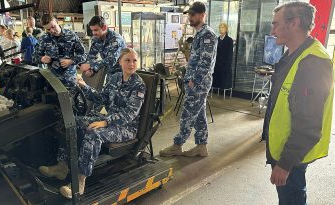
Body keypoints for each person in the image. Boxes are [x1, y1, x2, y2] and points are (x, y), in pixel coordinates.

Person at [38, 48, 146, 198]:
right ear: (120, 61)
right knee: (71, 122)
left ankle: (80, 181)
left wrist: (104, 122)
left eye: (134, 60)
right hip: (109, 120)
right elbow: (102, 98)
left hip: (126, 127)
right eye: (127, 60)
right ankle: (62, 166)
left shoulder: (138, 85)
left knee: (94, 134)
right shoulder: (114, 78)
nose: (131, 64)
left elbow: (130, 114)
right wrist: (84, 86)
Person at [262, 2, 333, 204]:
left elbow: (309, 124)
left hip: (292, 156)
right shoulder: (293, 54)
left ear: (294, 23)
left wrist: (285, 164)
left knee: (292, 199)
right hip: (284, 148)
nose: (272, 30)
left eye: (276, 24)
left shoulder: (313, 63)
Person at [159, 2, 217, 157]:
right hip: (193, 81)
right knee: (199, 115)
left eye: (193, 15)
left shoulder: (207, 35)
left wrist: (194, 80)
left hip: (198, 83)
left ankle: (177, 145)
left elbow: (206, 62)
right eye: (189, 15)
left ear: (202, 14)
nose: (190, 18)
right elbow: (195, 59)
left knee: (187, 114)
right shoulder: (199, 34)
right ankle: (201, 146)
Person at [34, 14, 86, 92]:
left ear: (57, 22)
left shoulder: (71, 35)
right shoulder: (43, 39)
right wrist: (41, 59)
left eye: (53, 26)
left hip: (70, 80)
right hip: (52, 81)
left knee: (73, 102)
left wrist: (71, 61)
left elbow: (83, 55)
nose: (51, 31)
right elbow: (34, 56)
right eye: (48, 29)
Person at [79, 16, 126, 81]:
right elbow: (91, 56)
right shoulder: (96, 39)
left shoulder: (116, 40)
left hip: (122, 75)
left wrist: (90, 65)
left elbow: (111, 61)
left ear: (104, 28)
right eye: (92, 30)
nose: (93, 33)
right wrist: (91, 70)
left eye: (96, 30)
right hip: (109, 74)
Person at [212, 23, 233, 89]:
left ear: (226, 29)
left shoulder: (229, 40)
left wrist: (228, 65)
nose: (221, 29)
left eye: (223, 27)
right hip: (217, 64)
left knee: (224, 82)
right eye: (220, 27)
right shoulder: (217, 39)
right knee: (216, 82)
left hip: (225, 64)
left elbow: (230, 54)